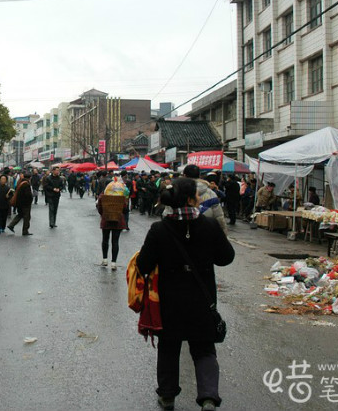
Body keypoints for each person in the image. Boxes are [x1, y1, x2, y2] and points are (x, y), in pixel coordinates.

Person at [136, 178, 235, 411]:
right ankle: (209, 397)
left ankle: (167, 396)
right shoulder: (210, 226)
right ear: (191, 199)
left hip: (170, 301)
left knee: (169, 347)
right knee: (203, 347)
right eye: (198, 196)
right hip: (202, 300)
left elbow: (143, 264)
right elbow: (226, 258)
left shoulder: (159, 229)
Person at [174, 165, 227, 234]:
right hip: (206, 234)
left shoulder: (177, 192)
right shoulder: (211, 193)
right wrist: (223, 235)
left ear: (184, 175)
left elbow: (167, 213)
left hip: (180, 234)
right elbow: (219, 217)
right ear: (199, 175)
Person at [96, 179, 128, 270]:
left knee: (105, 240)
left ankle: (105, 259)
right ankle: (114, 263)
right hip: (118, 221)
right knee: (115, 241)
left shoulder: (102, 196)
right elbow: (125, 210)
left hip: (106, 220)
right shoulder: (121, 197)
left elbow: (99, 208)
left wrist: (105, 214)